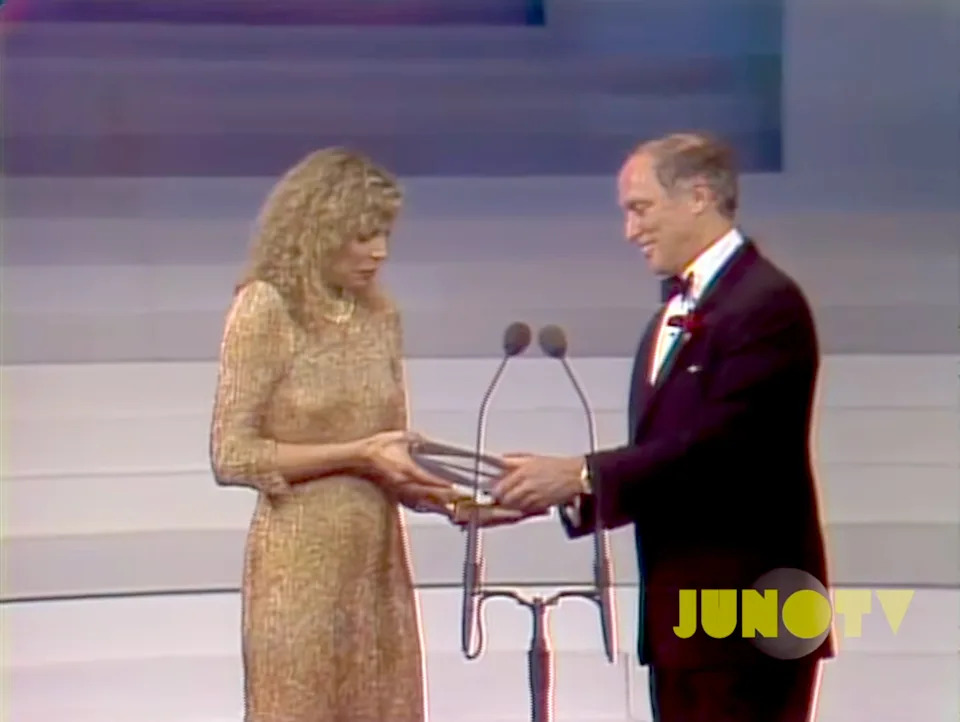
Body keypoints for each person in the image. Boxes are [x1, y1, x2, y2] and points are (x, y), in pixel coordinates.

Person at [490, 132, 834, 721]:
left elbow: (724, 450)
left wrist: (579, 474)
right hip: (684, 622)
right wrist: (562, 491)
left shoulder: (767, 304)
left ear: (698, 196)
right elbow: (666, 454)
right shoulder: (670, 317)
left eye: (640, 208)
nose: (630, 230)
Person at [209, 148, 465, 722]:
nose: (380, 252)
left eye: (385, 235)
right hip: (299, 569)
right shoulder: (266, 309)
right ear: (318, 230)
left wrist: (454, 499)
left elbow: (391, 453)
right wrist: (357, 453)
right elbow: (232, 453)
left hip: (375, 568)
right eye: (363, 236)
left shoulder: (381, 316)